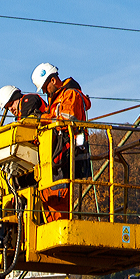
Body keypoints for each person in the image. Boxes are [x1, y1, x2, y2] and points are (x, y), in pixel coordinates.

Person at [31, 63, 93, 218]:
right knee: (50, 194)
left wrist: (42, 118)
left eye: (45, 87)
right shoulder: (57, 98)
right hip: (58, 152)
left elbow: (66, 118)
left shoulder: (70, 94)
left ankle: (59, 223)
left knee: (58, 196)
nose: (45, 91)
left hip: (66, 152)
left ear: (52, 80)